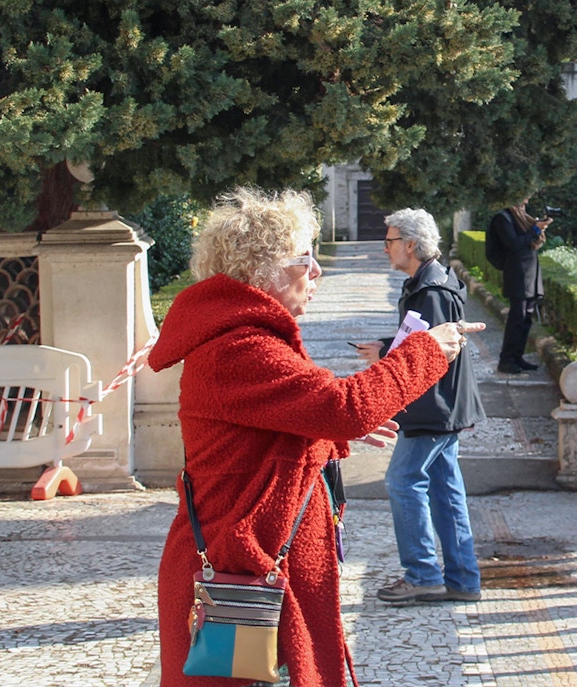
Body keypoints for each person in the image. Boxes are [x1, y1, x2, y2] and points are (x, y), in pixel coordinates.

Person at [148, 188, 481, 687]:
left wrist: (331, 437)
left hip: (253, 562)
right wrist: (423, 351)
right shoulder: (242, 346)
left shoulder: (244, 337)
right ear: (264, 270)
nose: (317, 270)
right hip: (241, 569)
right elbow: (341, 406)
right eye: (306, 258)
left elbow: (276, 429)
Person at [353, 208, 487, 603]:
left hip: (433, 406)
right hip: (442, 405)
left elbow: (436, 352)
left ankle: (423, 574)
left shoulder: (430, 290)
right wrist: (385, 345)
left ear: (410, 245)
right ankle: (463, 581)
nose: (385, 248)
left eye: (391, 240)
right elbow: (419, 339)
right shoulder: (428, 282)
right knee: (446, 492)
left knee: (401, 480)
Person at [491, 198, 552, 374]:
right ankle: (506, 359)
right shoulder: (504, 218)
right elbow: (514, 244)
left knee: (526, 318)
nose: (527, 199)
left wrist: (537, 227)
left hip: (530, 271)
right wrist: (535, 229)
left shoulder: (523, 216)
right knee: (517, 317)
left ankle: (517, 357)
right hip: (517, 273)